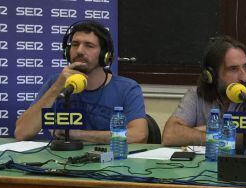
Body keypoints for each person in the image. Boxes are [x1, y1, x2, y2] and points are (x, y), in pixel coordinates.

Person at [14, 20, 148, 143]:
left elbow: (139, 135)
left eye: (89, 46)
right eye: (75, 44)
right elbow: (21, 133)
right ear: (67, 51)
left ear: (105, 56)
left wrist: (76, 134)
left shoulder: (126, 88)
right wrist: (57, 88)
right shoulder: (55, 83)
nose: (79, 51)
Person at [162, 36, 246, 154]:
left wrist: (204, 131)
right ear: (211, 75)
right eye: (233, 69)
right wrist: (231, 134)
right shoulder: (196, 95)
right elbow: (170, 135)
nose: (243, 77)